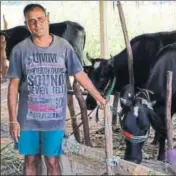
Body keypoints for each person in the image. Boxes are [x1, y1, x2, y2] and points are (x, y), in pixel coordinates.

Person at [7, 4, 106, 175]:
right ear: (26, 25)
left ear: (48, 18)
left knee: (52, 160)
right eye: (32, 21)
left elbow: (79, 73)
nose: (37, 24)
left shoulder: (64, 47)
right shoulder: (19, 50)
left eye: (40, 19)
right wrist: (12, 120)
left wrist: (97, 96)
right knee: (30, 159)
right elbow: (13, 86)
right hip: (28, 119)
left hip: (54, 118)